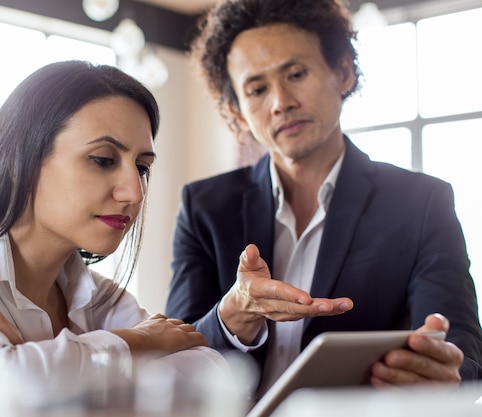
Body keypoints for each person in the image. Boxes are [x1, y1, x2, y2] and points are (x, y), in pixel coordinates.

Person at [165, 0, 482, 398]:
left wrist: (444, 370)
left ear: (344, 73)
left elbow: (464, 350)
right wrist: (233, 318)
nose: (280, 101)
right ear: (238, 111)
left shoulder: (422, 201)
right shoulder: (204, 206)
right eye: (257, 89)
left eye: (296, 74)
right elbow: (172, 360)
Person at [0, 61, 228, 406]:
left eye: (142, 168)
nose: (134, 193)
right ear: (20, 159)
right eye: (103, 160)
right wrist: (134, 343)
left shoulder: (96, 296)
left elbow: (210, 373)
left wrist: (26, 352)